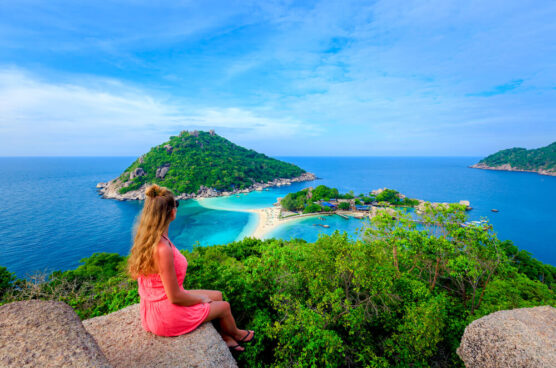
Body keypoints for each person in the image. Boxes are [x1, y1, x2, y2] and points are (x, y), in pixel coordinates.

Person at [127, 184, 254, 352]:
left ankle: (225, 337)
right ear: (171, 212)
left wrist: (199, 298)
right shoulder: (163, 248)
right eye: (176, 205)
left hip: (153, 307)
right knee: (224, 306)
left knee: (217, 295)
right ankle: (236, 334)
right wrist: (200, 299)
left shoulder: (147, 239)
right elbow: (174, 297)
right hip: (165, 314)